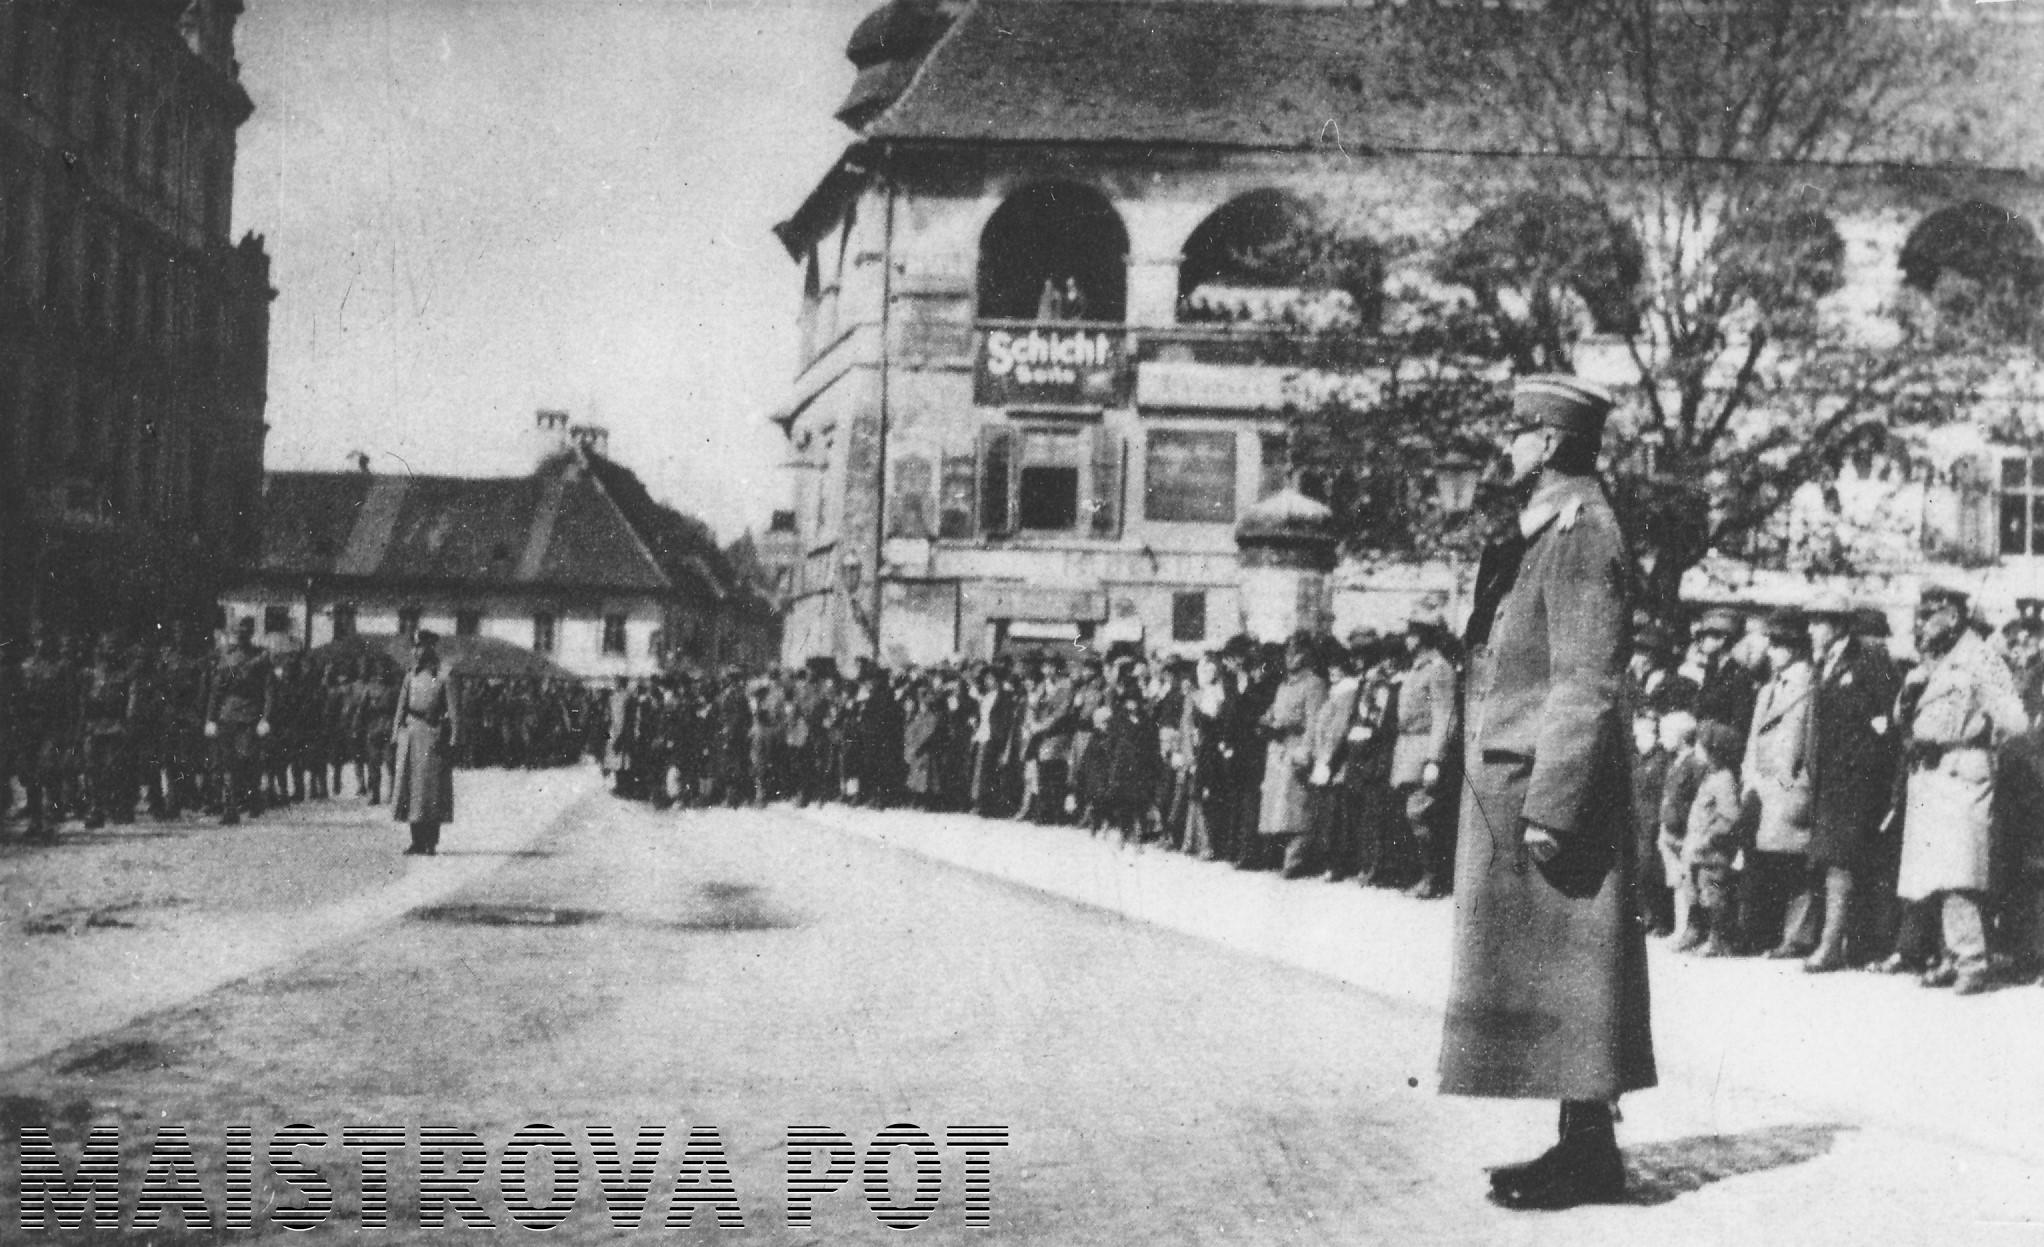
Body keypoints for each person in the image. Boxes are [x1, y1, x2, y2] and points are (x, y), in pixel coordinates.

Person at [1439, 373, 1654, 1210]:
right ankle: (1579, 1146)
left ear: (1555, 442)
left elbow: (1587, 681)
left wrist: (1554, 806)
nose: (1509, 443)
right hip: (1519, 783)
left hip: (1546, 792)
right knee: (1558, 976)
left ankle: (1592, 1157)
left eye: (1521, 430)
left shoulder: (1584, 530)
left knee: (1577, 975)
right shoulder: (1548, 527)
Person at [1892, 584, 2028, 994]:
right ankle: (1949, 956)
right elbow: (1905, 717)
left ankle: (1971, 960)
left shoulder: (1979, 657)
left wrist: (1981, 733)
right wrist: (1909, 693)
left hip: (1960, 771)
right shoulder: (1931, 660)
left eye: (1930, 613)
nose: (1922, 622)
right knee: (1931, 876)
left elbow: (2015, 720)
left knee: (1958, 874)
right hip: (1929, 773)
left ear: (1953, 616)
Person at [1800, 591, 1901, 972]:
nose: (1812, 629)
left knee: (1842, 860)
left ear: (1839, 625)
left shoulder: (1868, 660)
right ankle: (1842, 943)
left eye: (1819, 621)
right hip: (1831, 780)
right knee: (1833, 860)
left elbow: (1888, 720)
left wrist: (1870, 764)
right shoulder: (1825, 663)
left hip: (1858, 782)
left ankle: (1832, 945)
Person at [1741, 609, 1817, 959]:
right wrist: (1749, 775)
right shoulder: (1770, 688)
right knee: (1769, 861)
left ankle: (1797, 936)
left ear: (1795, 648)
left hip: (1790, 787)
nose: (1771, 652)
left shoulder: (1809, 686)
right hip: (1764, 786)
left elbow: (1813, 742)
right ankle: (1771, 933)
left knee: (1794, 865)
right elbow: (1755, 738)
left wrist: (1802, 780)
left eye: (1778, 645)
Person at [1392, 611, 1460, 898]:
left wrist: (1435, 759)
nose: (1406, 639)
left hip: (1423, 749)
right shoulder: (1417, 668)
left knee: (1421, 815)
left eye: (1410, 633)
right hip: (1407, 748)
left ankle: (1434, 878)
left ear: (1421, 636)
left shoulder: (1438, 668)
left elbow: (1444, 716)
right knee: (1413, 816)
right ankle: (1422, 875)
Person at [391, 630, 460, 855]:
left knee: (430, 790)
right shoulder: (410, 676)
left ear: (431, 648)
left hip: (432, 736)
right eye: (415, 647)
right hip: (411, 734)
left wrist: (453, 737)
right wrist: (395, 734)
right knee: (411, 788)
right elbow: (401, 707)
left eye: (420, 647)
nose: (416, 652)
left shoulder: (443, 676)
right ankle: (416, 841)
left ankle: (430, 842)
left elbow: (453, 710)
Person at [205, 617, 273, 826]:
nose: (242, 634)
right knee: (227, 764)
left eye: (246, 631)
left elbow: (268, 690)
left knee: (245, 758)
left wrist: (266, 718)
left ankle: (251, 798)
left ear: (251, 633)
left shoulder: (261, 657)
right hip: (227, 715)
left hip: (250, 716)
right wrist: (210, 718)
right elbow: (216, 690)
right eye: (238, 631)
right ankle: (230, 808)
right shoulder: (226, 656)